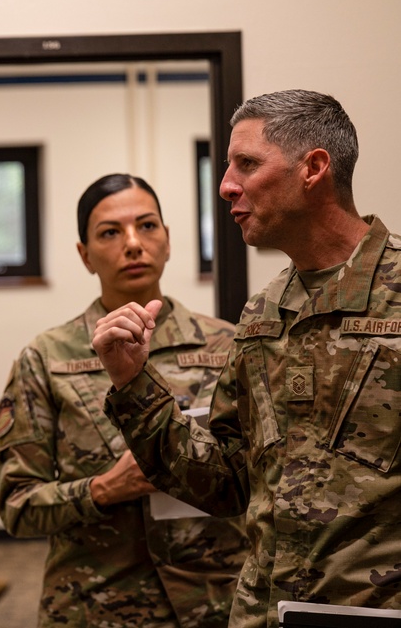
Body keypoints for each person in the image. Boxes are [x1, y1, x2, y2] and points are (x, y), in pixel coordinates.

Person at [92, 90, 401, 627]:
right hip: (262, 613)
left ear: (314, 168)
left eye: (247, 164)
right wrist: (133, 381)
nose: (225, 185)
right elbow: (225, 480)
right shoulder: (264, 312)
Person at [0, 173, 249, 627]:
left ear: (168, 241)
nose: (133, 244)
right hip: (97, 604)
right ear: (85, 255)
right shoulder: (47, 357)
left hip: (217, 602)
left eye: (147, 226)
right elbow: (18, 507)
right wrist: (105, 488)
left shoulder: (229, 344)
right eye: (110, 232)